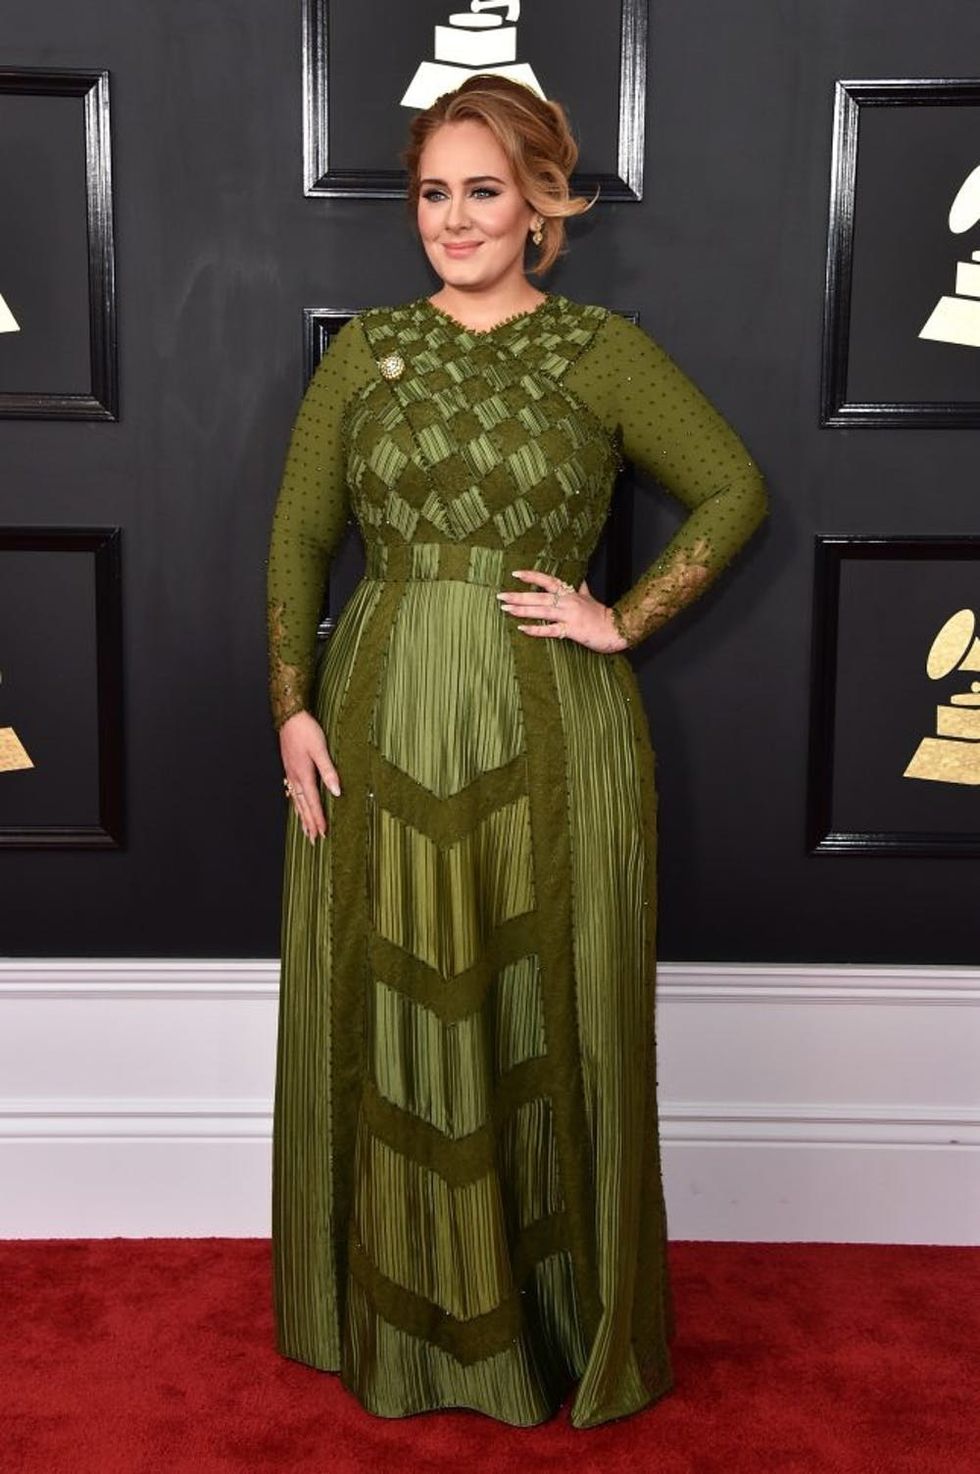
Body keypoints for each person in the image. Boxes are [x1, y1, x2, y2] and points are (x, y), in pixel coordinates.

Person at [264, 73, 768, 1430]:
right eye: (435, 192)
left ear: (541, 200)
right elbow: (301, 535)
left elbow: (733, 486)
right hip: (373, 721)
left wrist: (625, 613)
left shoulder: (601, 349)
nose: (455, 218)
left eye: (484, 189)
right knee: (386, 1004)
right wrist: (292, 707)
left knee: (545, 1001)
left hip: (552, 729)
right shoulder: (365, 349)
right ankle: (398, 1326)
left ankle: (549, 1332)